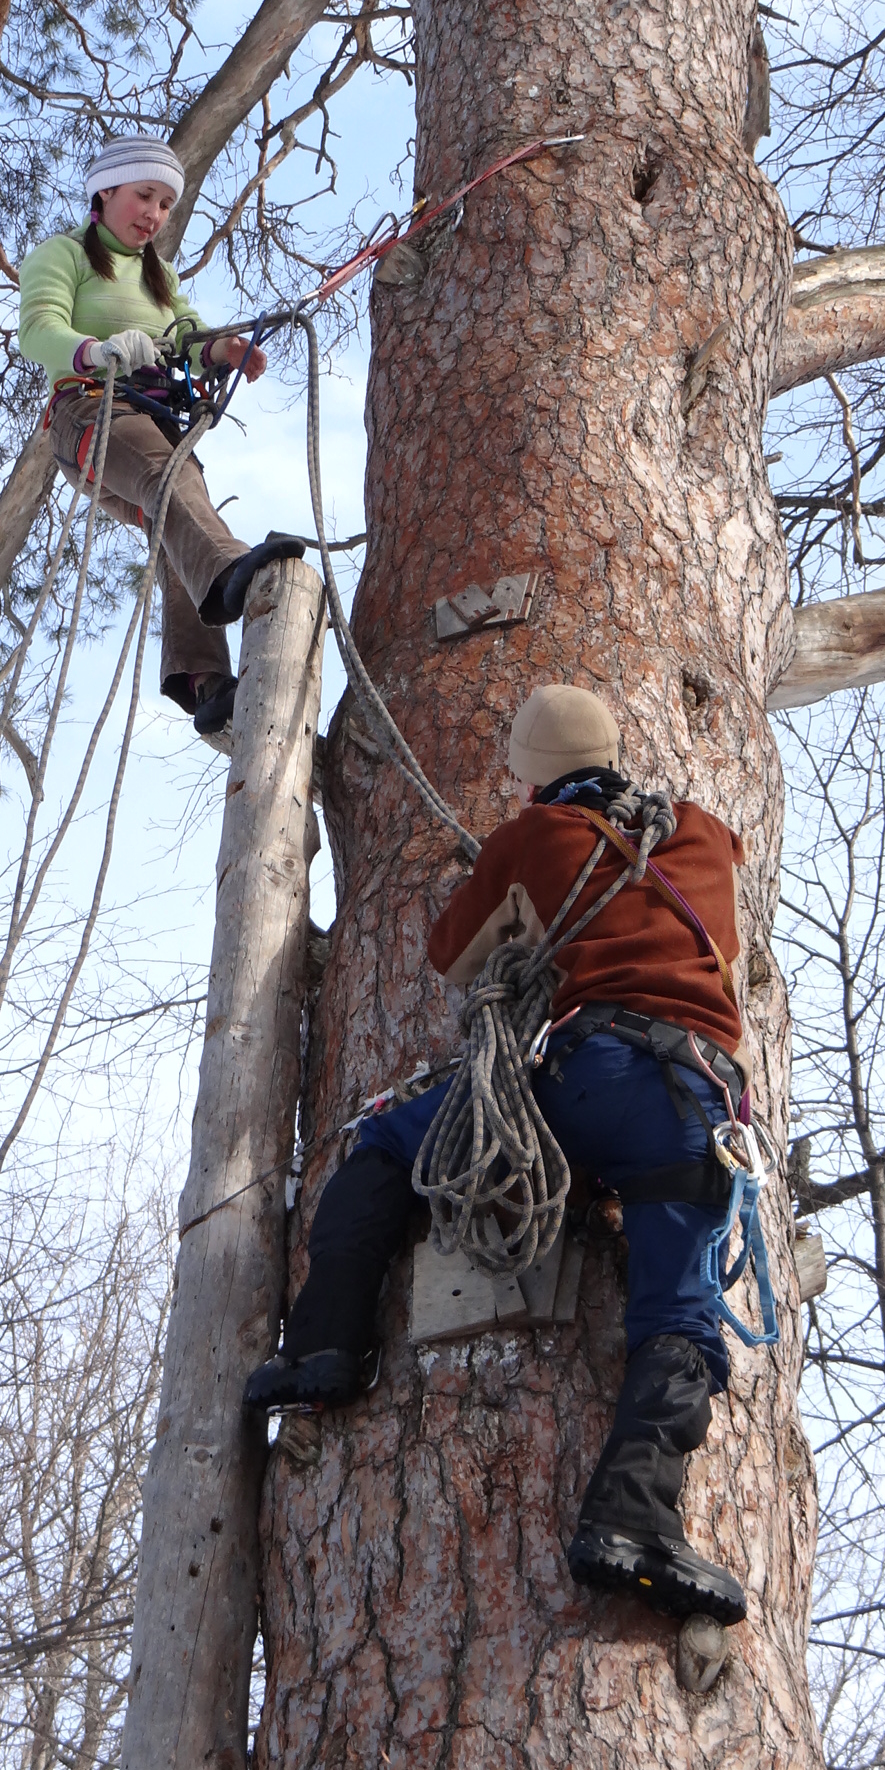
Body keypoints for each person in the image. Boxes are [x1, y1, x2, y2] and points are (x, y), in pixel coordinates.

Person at [245, 683, 754, 1626]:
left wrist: (525, 894)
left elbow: (453, 954)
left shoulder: (533, 840)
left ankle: (324, 1351)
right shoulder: (706, 834)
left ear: (533, 780)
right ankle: (631, 1525)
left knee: (385, 1143)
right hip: (691, 1098)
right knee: (682, 1317)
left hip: (581, 1073)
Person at [18, 134, 306, 735]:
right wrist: (94, 350)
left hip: (146, 419)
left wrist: (223, 349)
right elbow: (38, 331)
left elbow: (188, 334)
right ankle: (231, 570)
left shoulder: (160, 275)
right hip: (89, 413)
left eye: (166, 204)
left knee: (176, 509)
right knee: (167, 478)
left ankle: (202, 680)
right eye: (144, 196)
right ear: (106, 193)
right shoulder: (64, 255)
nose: (154, 214)